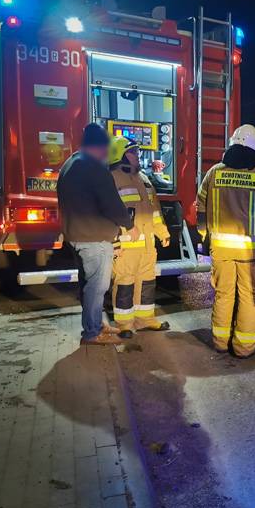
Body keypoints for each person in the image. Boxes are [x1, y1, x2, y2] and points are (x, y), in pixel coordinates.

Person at [196, 124, 255, 357]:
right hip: (252, 254)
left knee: (223, 295)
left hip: (221, 251)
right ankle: (244, 347)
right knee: (250, 297)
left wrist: (203, 239)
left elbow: (200, 209)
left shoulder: (214, 173)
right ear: (254, 147)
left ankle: (220, 341)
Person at [57, 123, 138, 345]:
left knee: (87, 283)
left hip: (75, 235)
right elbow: (111, 203)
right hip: (94, 237)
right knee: (97, 286)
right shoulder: (94, 167)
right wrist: (130, 225)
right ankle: (92, 333)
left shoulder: (70, 163)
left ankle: (95, 324)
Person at [108, 136, 171, 337]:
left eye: (137, 152)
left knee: (146, 282)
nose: (137, 155)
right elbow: (106, 212)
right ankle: (124, 324)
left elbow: (154, 210)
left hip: (147, 246)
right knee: (125, 283)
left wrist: (163, 233)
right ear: (120, 155)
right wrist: (113, 241)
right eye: (133, 152)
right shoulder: (111, 178)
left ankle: (145, 319)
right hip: (125, 246)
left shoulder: (144, 178)